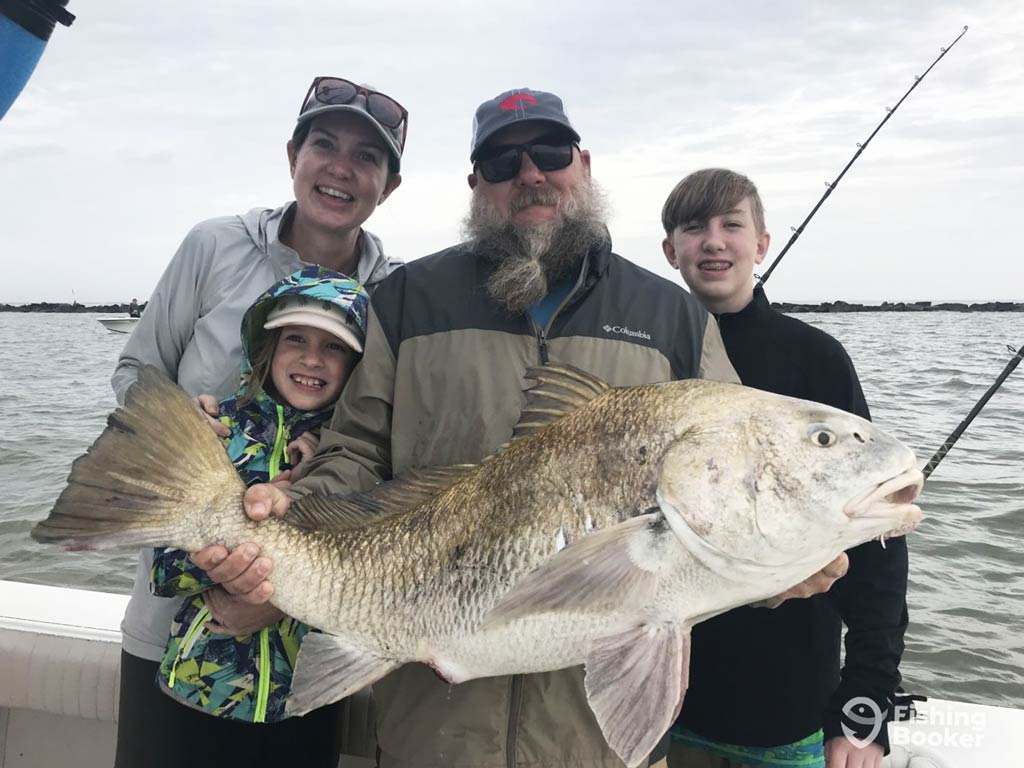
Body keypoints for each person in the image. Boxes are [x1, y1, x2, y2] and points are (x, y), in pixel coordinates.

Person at [227, 89, 848, 768]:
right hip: (431, 733)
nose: (530, 174)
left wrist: (778, 566)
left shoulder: (673, 315)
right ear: (475, 186)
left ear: (583, 163)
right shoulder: (408, 299)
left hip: (593, 745)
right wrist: (290, 509)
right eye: (501, 160)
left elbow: (728, 483)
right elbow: (357, 450)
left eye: (550, 152)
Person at [109, 76, 407, 768]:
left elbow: (395, 452)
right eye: (324, 144)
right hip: (172, 626)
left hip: (303, 633)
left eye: (367, 157)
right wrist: (173, 423)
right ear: (291, 155)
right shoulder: (212, 246)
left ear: (388, 186)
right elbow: (134, 375)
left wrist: (278, 595)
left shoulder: (399, 291)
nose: (340, 167)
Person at [660, 168, 909, 768]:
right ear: (671, 251)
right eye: (694, 229)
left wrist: (865, 700)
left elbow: (877, 545)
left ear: (762, 243)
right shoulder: (651, 358)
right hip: (661, 709)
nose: (714, 241)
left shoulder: (816, 358)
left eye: (732, 225)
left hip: (788, 708)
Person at [146, 266, 368, 762]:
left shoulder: (354, 456)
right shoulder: (213, 433)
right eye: (296, 338)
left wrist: (316, 487)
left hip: (309, 704)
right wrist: (238, 563)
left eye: (334, 346)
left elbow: (369, 580)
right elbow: (163, 570)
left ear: (359, 363)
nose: (313, 359)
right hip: (200, 691)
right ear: (266, 347)